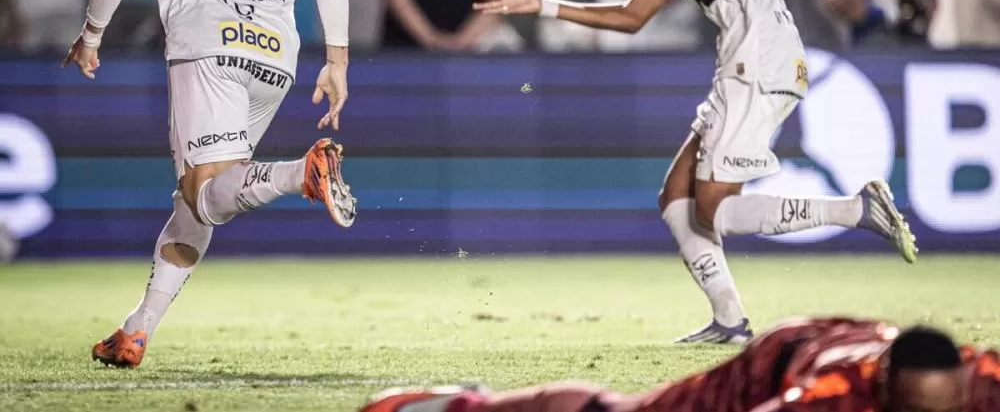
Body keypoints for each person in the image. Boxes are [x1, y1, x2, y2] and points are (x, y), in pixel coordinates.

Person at [473, 0, 917, 343]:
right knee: (678, 200)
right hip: (743, 64)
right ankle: (729, 321)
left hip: (760, 63)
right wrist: (543, 4)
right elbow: (634, 17)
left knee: (712, 207)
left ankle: (856, 209)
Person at [63, 0, 357, 369]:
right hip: (277, 52)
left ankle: (299, 173)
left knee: (209, 194)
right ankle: (137, 329)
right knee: (196, 201)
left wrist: (91, 34)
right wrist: (337, 61)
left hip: (207, 45)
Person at [358, 317, 1000, 412]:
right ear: (887, 388)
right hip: (774, 366)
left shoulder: (988, 378)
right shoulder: (828, 397)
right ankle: (458, 405)